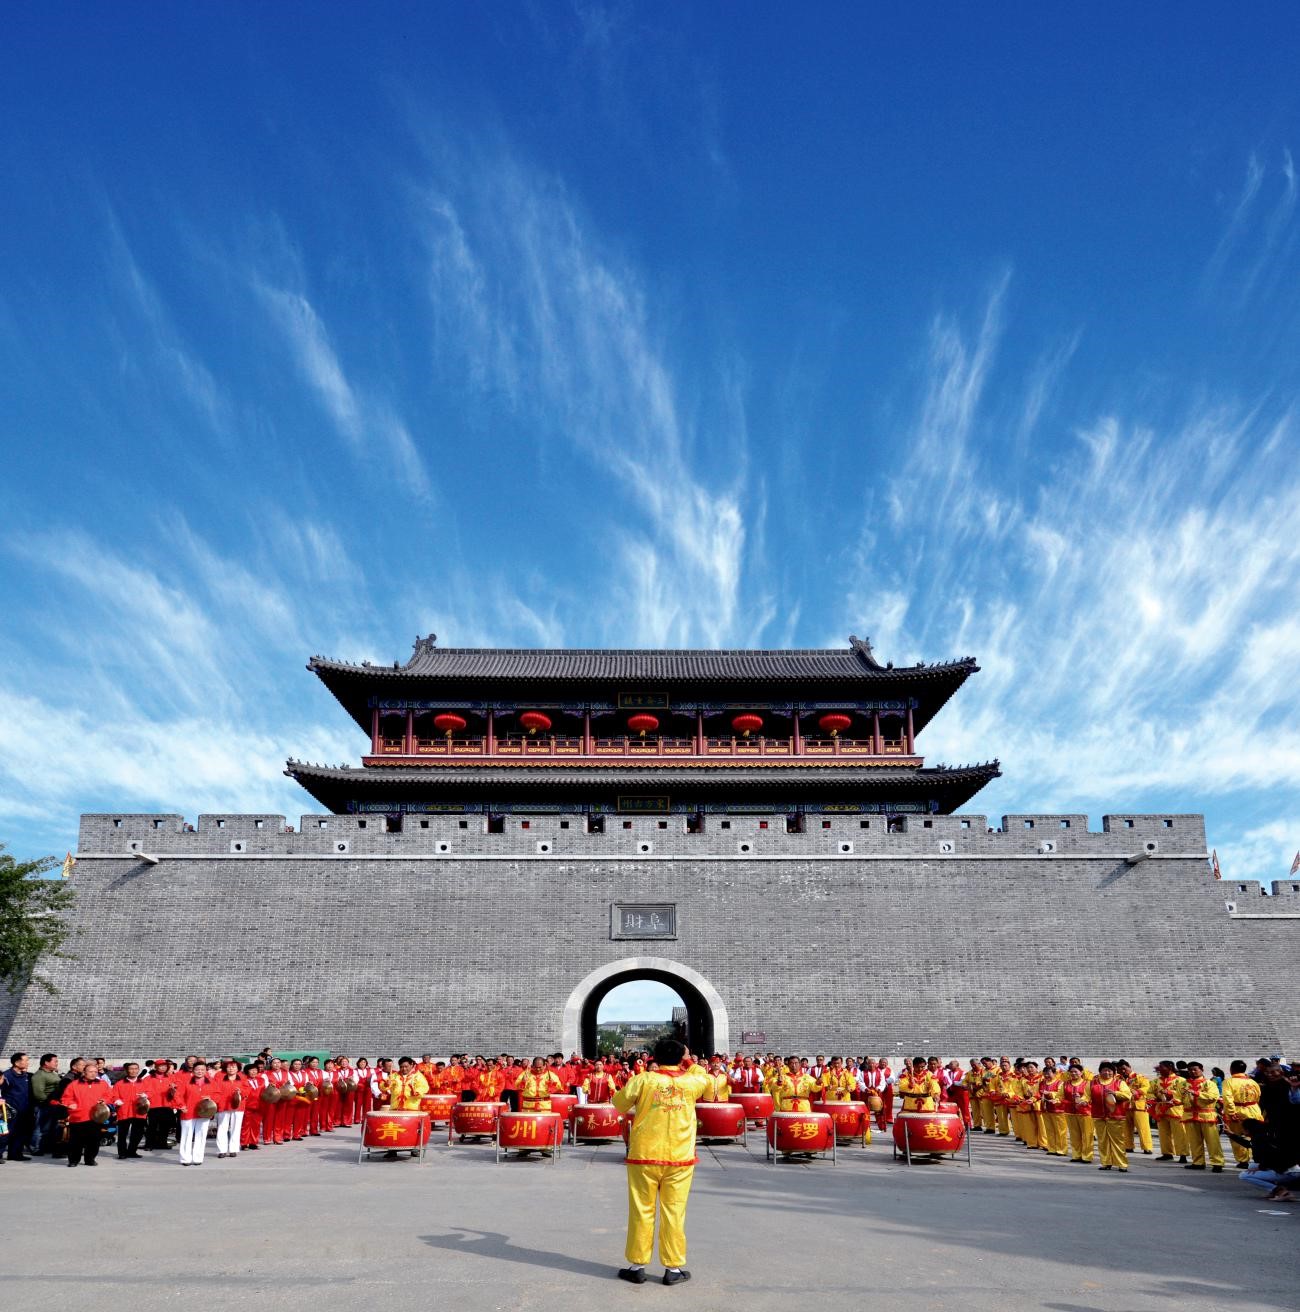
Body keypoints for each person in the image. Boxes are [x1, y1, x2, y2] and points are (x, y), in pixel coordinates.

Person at [611, 1038, 712, 1286]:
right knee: (674, 1211)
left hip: (644, 1155)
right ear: (682, 1057)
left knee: (641, 1210)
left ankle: (637, 1266)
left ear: (654, 1057)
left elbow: (619, 1103)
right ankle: (673, 1269)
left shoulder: (643, 1079)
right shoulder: (692, 1080)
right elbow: (709, 1085)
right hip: (679, 1157)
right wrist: (688, 1059)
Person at [53, 1063, 109, 1167]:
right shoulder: (74, 1084)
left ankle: (90, 1159)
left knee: (94, 1140)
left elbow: (109, 1095)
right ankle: (74, 1160)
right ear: (84, 1072)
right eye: (90, 1072)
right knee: (76, 1141)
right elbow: (66, 1098)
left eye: (95, 1072)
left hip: (96, 1117)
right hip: (78, 1116)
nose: (93, 1074)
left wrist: (104, 1100)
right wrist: (70, 1104)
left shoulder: (103, 1084)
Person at [1181, 1061, 1225, 1171]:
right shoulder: (1183, 1084)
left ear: (1201, 1069)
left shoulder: (1209, 1083)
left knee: (1212, 1141)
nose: (1192, 1071)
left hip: (1206, 1115)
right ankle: (1198, 1162)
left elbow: (1213, 1096)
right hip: (1190, 1115)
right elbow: (1178, 1096)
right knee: (1194, 1141)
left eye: (1195, 1069)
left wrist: (1197, 1093)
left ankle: (1217, 1163)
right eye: (1190, 1070)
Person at [1090, 1061, 1132, 1172]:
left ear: (1113, 1072)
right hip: (1099, 1115)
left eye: (1109, 1070)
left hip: (1116, 1116)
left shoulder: (1119, 1083)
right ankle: (1106, 1162)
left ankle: (1122, 1164)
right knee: (1102, 1141)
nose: (1107, 1072)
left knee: (1118, 1141)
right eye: (1104, 1070)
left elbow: (1128, 1095)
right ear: (1100, 1072)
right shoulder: (1092, 1083)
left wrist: (1115, 1093)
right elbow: (1086, 1096)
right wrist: (1083, 1101)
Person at [1221, 1059, 1263, 1167]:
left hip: (1238, 1109)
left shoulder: (1228, 1081)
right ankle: (1254, 1157)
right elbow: (1258, 1096)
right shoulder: (1252, 1082)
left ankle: (1243, 1160)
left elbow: (1227, 1097)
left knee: (1236, 1135)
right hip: (1254, 1109)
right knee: (1252, 1135)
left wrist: (1231, 1112)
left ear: (1231, 1069)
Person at [178, 1060, 217, 1166]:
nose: (200, 1071)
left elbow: (218, 1094)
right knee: (187, 1135)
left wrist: (211, 1098)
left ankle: (198, 1158)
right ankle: (185, 1159)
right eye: (197, 1069)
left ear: (206, 1071)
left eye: (202, 1069)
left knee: (201, 1135)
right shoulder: (185, 1082)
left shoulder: (212, 1082)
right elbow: (178, 1095)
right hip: (188, 1112)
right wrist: (181, 1105)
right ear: (193, 1070)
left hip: (204, 1112)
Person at [112, 1062, 148, 1159]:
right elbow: (113, 1095)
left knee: (138, 1133)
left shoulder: (144, 1082)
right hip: (124, 1111)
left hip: (139, 1111)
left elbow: (150, 1092)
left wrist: (146, 1095)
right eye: (131, 1069)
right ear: (127, 1070)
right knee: (123, 1134)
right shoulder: (119, 1084)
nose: (133, 1071)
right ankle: (122, 1153)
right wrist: (116, 1100)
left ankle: (132, 1151)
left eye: (136, 1068)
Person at [2, 1053, 33, 1160]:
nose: (28, 1062)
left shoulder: (25, 1075)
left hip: (23, 1110)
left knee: (20, 1133)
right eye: (26, 1060)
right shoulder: (7, 1076)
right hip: (10, 1111)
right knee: (5, 1133)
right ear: (16, 1062)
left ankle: (15, 1154)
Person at [29, 1053, 62, 1155]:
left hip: (54, 1105)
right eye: (55, 1061)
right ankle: (35, 1148)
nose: (57, 1063)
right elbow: (38, 1093)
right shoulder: (39, 1075)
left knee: (51, 1128)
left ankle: (46, 1147)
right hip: (43, 1105)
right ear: (46, 1063)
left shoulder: (52, 1073)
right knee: (40, 1128)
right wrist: (49, 1102)